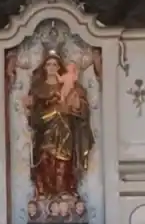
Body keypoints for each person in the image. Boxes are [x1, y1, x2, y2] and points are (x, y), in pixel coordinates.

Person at [24, 52, 94, 200]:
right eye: (48, 64)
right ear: (43, 67)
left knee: (63, 159)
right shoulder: (37, 88)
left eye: (55, 64)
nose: (51, 67)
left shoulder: (70, 85)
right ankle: (45, 191)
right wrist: (31, 108)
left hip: (65, 129)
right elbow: (32, 113)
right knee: (44, 158)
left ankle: (64, 190)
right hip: (44, 130)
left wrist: (77, 105)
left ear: (60, 67)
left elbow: (82, 106)